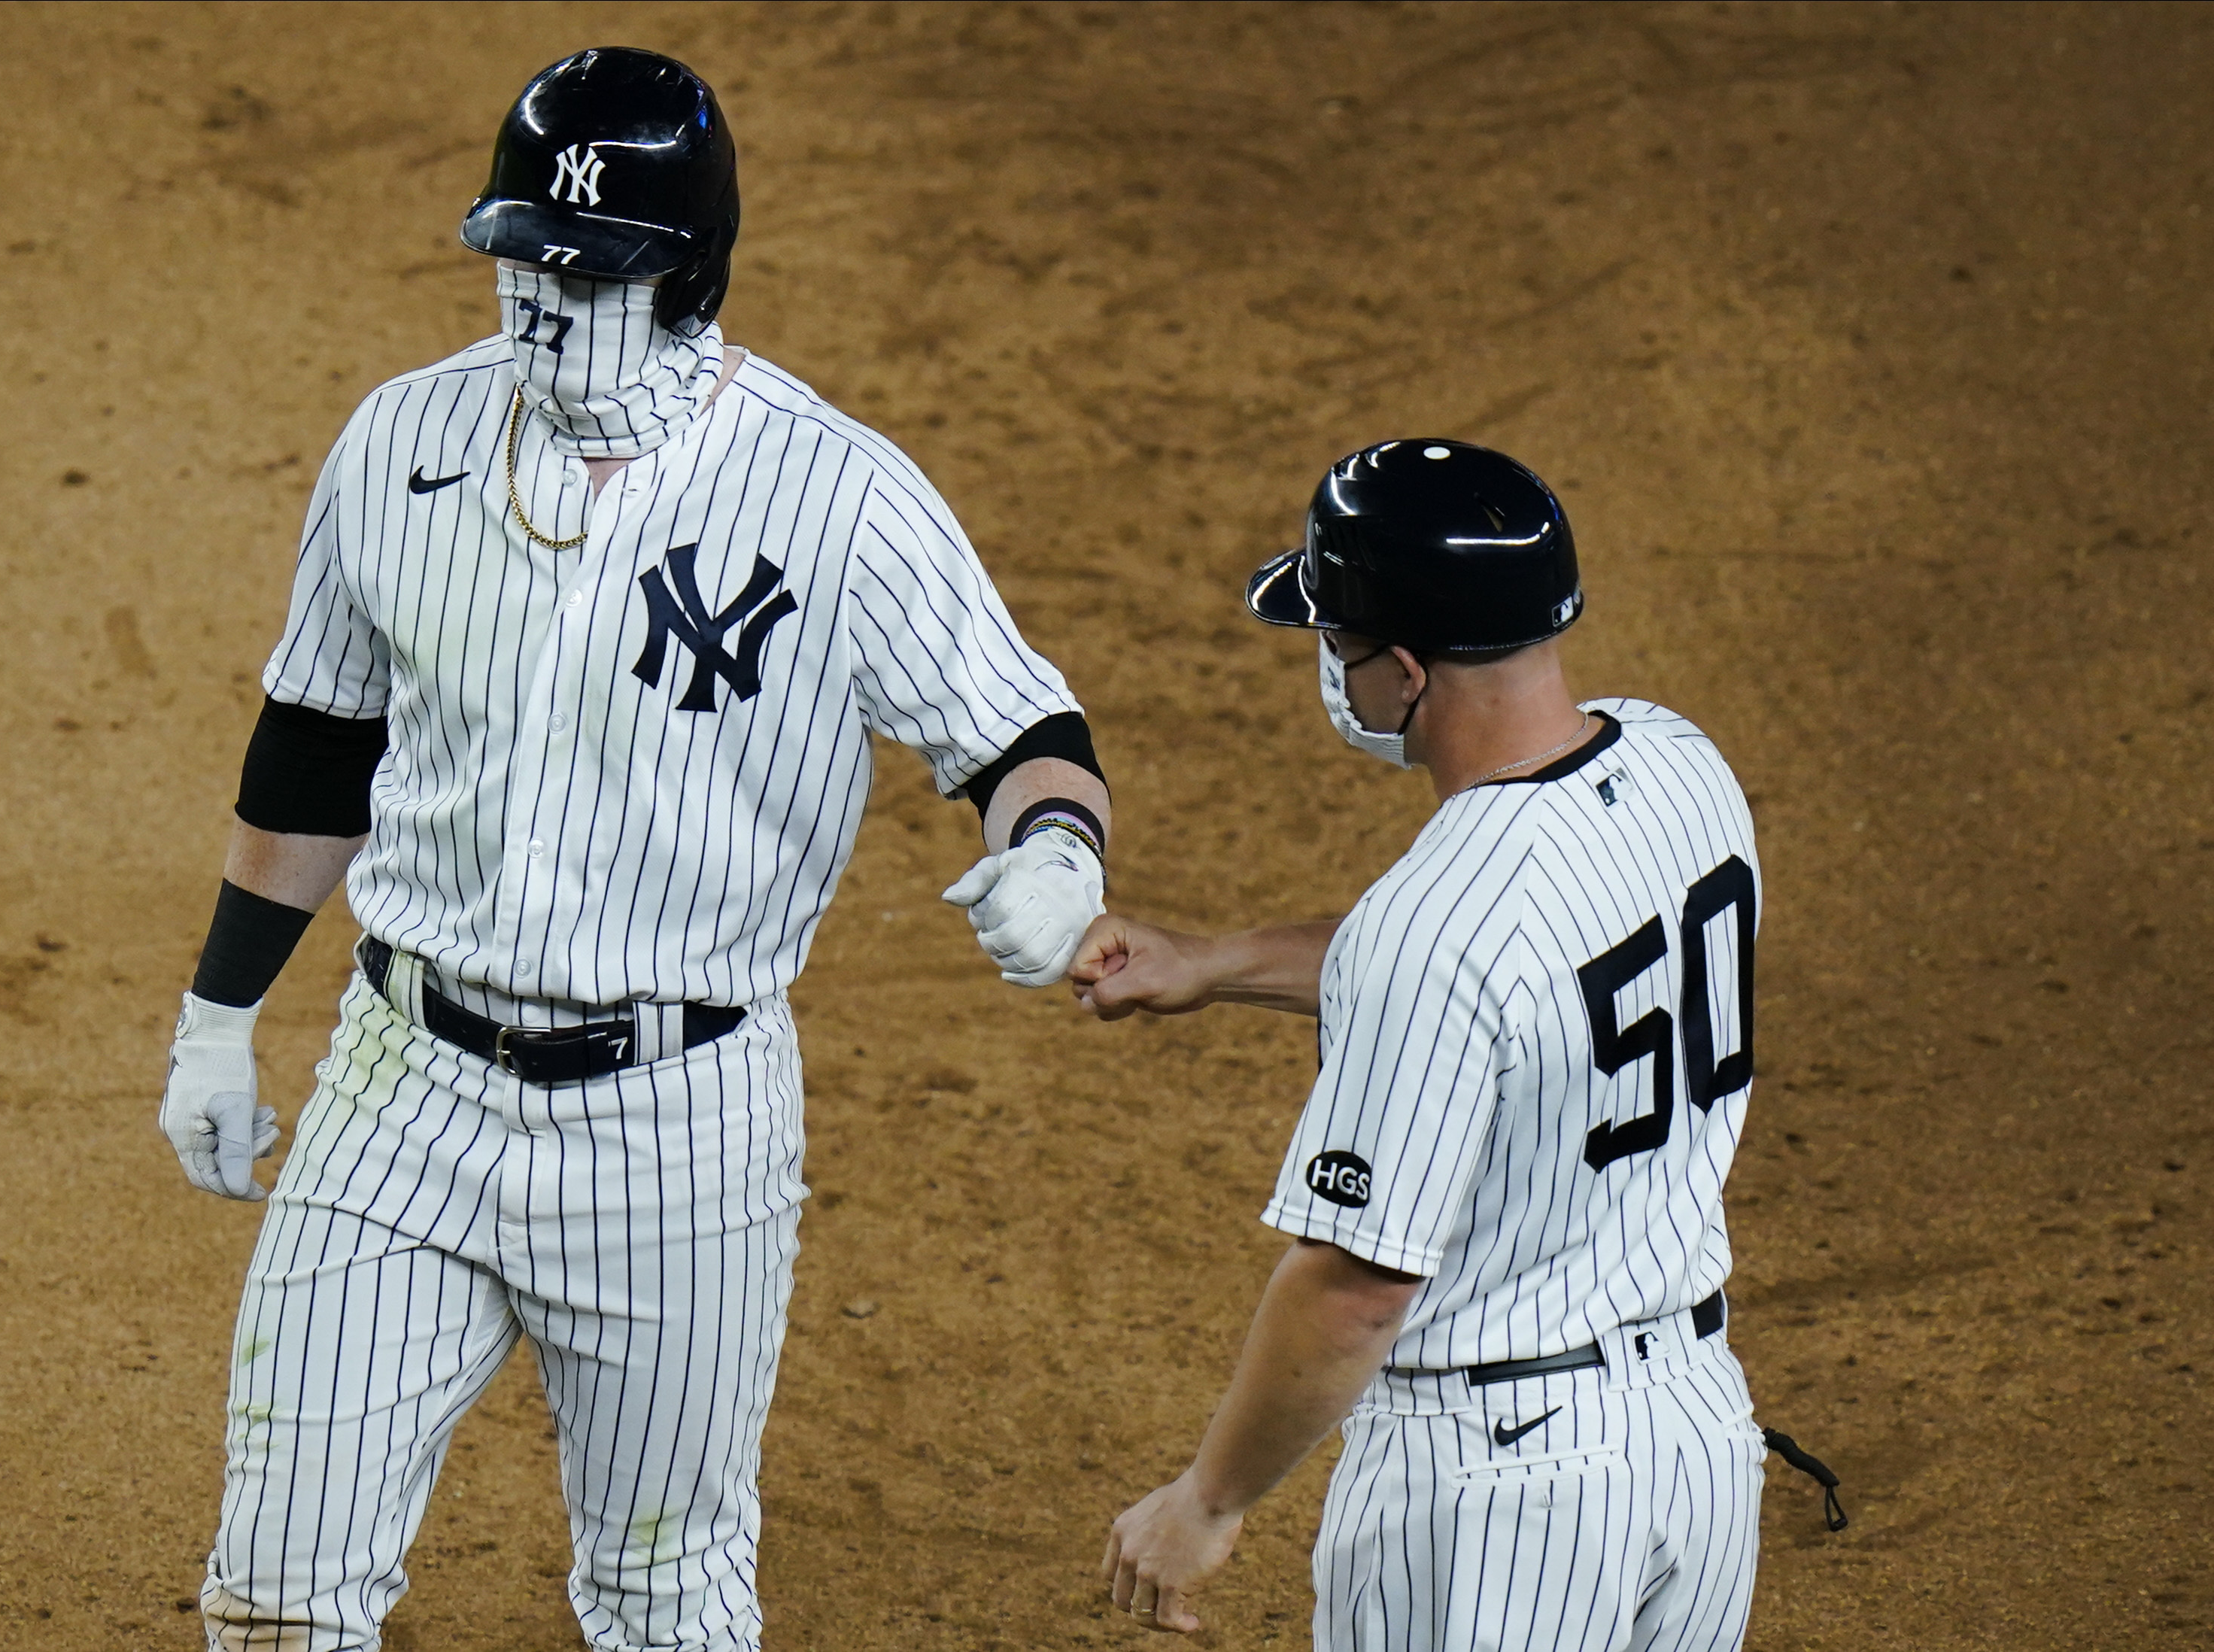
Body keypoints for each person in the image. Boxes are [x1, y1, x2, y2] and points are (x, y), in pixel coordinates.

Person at [154, 47, 1110, 1652]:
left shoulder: (836, 493)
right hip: (404, 1094)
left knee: (664, 1594)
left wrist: (1057, 852)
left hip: (679, 1127)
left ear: (689, 276)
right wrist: (218, 1019)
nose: (540, 296)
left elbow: (1023, 740)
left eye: (588, 270)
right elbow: (316, 747)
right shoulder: (401, 442)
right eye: (523, 253)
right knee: (275, 1590)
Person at [1074, 440, 1836, 1649]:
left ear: (1410, 671)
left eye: (1339, 646)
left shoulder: (1432, 931)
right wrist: (1215, 962)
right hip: (1694, 1438)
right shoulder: (1679, 763)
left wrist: (1207, 1502)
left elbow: (1356, 1295)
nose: (1333, 671)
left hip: (1493, 1499)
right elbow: (1513, 988)